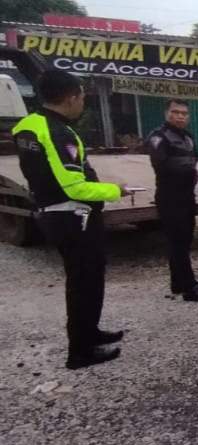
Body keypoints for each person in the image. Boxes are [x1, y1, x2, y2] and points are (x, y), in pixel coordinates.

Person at [12, 70, 125, 369]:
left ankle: (89, 332)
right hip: (72, 216)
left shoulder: (28, 126)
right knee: (84, 281)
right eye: (82, 97)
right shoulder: (59, 133)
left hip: (54, 213)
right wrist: (116, 190)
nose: (82, 103)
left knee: (86, 277)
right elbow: (75, 187)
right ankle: (80, 351)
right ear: (70, 97)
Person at [146, 99, 198, 302]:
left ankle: (178, 282)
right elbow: (161, 165)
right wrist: (187, 172)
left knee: (184, 240)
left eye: (184, 113)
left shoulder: (188, 137)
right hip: (170, 196)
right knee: (177, 242)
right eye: (175, 112)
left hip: (187, 195)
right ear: (166, 113)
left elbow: (194, 161)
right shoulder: (158, 137)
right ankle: (190, 288)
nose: (180, 116)